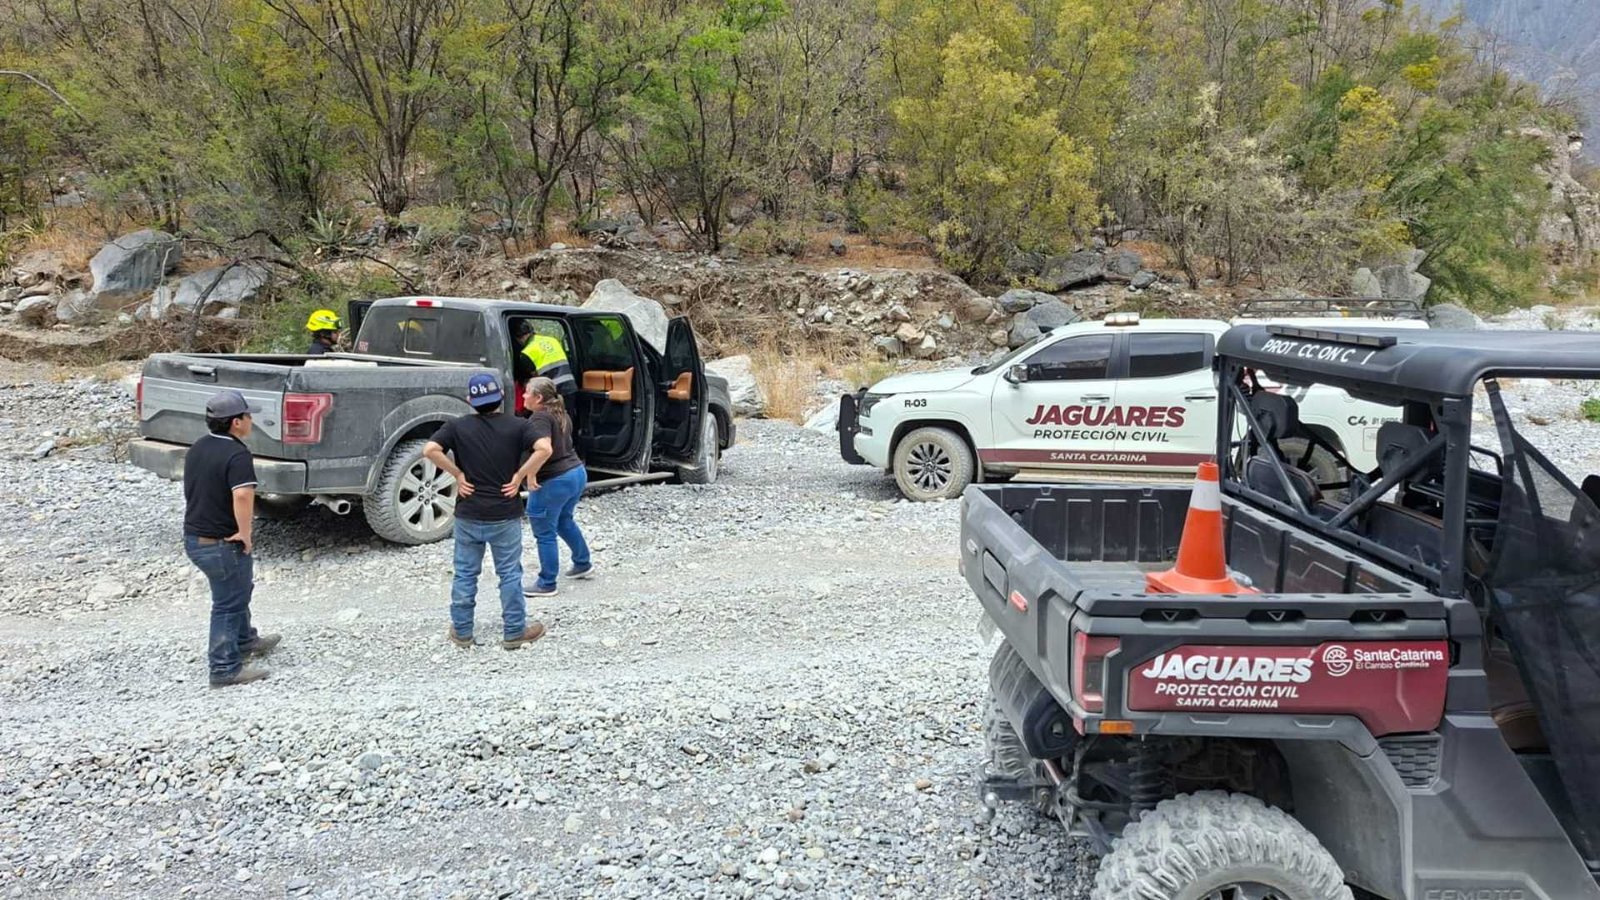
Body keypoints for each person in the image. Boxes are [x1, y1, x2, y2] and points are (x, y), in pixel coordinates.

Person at [424, 373, 547, 650]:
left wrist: (456, 474)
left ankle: (463, 632)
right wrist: (520, 476)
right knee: (509, 574)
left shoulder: (457, 426)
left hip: (468, 513)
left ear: (470, 400)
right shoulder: (518, 426)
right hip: (505, 513)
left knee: (465, 574)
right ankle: (514, 631)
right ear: (500, 398)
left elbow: (430, 449)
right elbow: (545, 448)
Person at [184, 390, 280, 687]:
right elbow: (242, 494)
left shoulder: (198, 447)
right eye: (248, 415)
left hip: (195, 537)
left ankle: (244, 639)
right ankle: (224, 668)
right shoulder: (237, 454)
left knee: (238, 589)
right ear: (236, 422)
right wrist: (245, 533)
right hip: (222, 541)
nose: (252, 419)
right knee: (228, 602)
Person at [520, 376, 593, 597]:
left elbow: (544, 450)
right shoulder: (561, 413)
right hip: (576, 473)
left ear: (538, 397)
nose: (523, 395)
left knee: (544, 532)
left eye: (526, 392)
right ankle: (582, 562)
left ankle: (546, 583)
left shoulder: (539, 418)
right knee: (563, 520)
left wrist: (528, 474)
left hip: (554, 480)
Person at [515, 320, 577, 408]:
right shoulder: (552, 340)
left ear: (520, 337)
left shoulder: (526, 352)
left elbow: (535, 379)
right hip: (569, 386)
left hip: (551, 391)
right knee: (566, 418)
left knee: (552, 419)